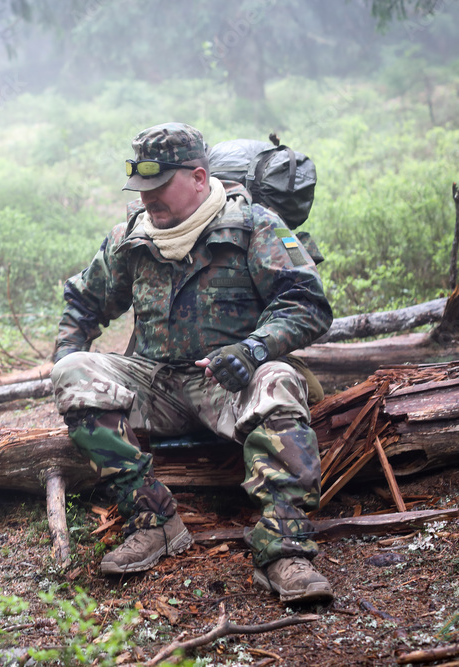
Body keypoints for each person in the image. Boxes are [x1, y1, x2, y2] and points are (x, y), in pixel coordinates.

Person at [50, 122, 335, 604]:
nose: (149, 200)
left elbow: (306, 303)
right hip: (155, 385)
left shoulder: (252, 226)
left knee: (280, 379)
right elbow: (84, 301)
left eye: (160, 187)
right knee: (73, 372)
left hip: (227, 383)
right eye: (142, 189)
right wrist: (66, 362)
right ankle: (154, 520)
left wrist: (253, 349)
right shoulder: (132, 238)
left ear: (200, 179)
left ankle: (284, 549)